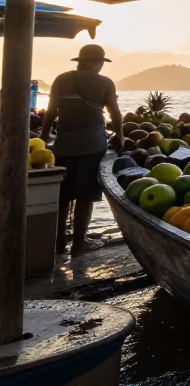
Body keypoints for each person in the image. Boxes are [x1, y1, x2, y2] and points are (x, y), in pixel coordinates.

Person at [41, 44, 122, 255]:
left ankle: (57, 243)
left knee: (63, 195)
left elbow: (50, 113)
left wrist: (42, 138)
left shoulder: (61, 80)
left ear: (80, 61)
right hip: (92, 144)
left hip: (64, 144)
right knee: (85, 196)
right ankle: (79, 245)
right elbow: (115, 114)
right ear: (98, 63)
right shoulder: (105, 83)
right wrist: (120, 137)